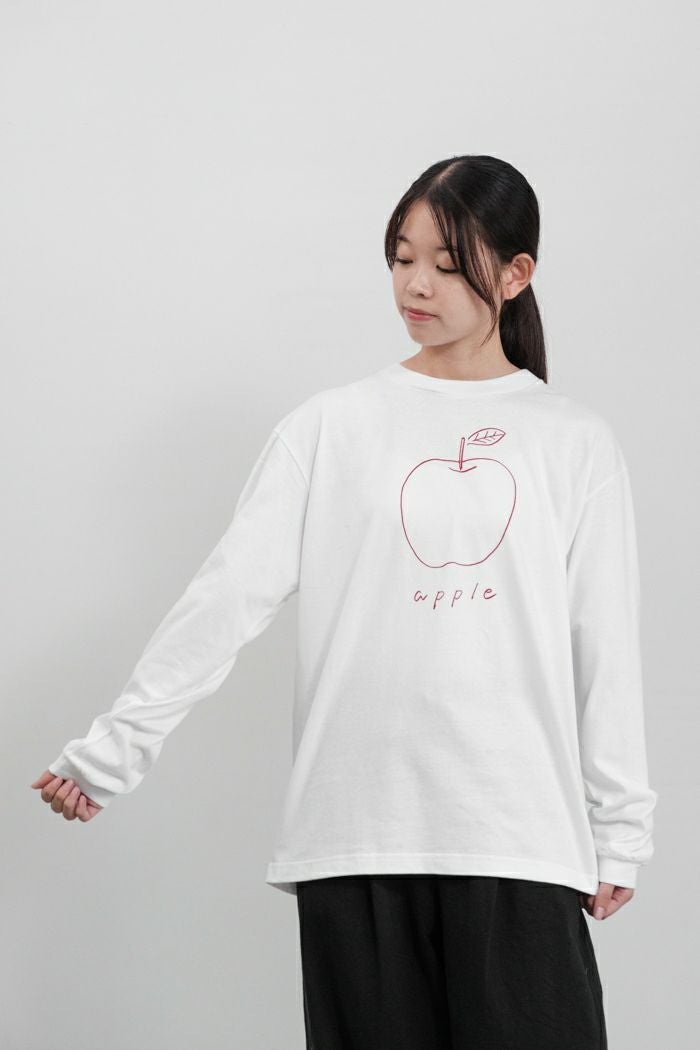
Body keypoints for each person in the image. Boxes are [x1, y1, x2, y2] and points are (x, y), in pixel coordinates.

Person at [32, 154, 657, 1049]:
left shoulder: (573, 442)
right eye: (402, 258)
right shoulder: (331, 428)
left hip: (518, 837)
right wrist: (114, 751)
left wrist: (619, 827)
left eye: (448, 265)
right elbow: (226, 598)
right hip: (356, 836)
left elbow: (605, 643)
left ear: (517, 274)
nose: (415, 285)